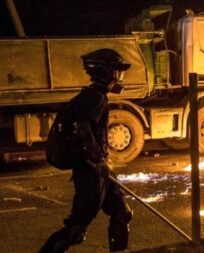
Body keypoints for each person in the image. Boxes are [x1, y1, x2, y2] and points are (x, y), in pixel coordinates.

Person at [39, 48, 133, 253]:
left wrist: (102, 162)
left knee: (121, 213)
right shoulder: (95, 98)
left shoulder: (91, 95)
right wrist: (98, 159)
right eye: (116, 72)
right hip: (91, 171)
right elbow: (82, 127)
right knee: (76, 229)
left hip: (100, 169)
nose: (119, 77)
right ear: (105, 73)